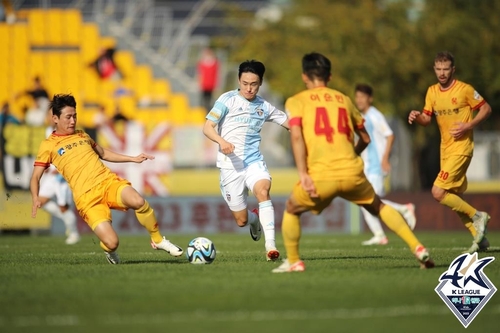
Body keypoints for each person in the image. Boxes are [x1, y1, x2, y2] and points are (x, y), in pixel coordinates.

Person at [273, 52, 434, 273]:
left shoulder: (296, 100)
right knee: (378, 206)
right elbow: (366, 138)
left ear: (304, 77)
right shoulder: (345, 100)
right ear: (329, 77)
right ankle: (417, 247)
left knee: (291, 208)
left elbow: (296, 136)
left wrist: (303, 173)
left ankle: (294, 261)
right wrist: (352, 156)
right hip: (353, 172)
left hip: (321, 176)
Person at [30, 94, 183, 264]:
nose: (72, 121)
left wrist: (132, 158)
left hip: (107, 182)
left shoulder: (82, 135)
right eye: (68, 117)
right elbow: (36, 176)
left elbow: (103, 153)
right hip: (87, 199)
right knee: (112, 243)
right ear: (55, 118)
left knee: (138, 200)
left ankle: (158, 239)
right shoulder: (48, 145)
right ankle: (109, 251)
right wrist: (36, 197)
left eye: (75, 116)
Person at [203, 60, 289, 261]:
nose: (249, 88)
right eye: (245, 83)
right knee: (241, 220)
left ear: (260, 83)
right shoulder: (227, 100)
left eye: (254, 84)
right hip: (230, 166)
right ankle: (254, 219)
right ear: (239, 81)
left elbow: (289, 123)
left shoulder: (264, 106)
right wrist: (221, 140)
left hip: (253, 163)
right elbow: (207, 127)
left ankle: (270, 247)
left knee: (263, 191)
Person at [408, 51, 492, 254]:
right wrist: (417, 116)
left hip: (462, 148)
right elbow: (427, 120)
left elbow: (486, 109)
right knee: (454, 195)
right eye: (438, 69)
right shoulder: (431, 92)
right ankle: (478, 238)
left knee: (437, 192)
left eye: (446, 69)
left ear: (452, 69)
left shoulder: (465, 89)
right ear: (434, 69)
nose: (442, 73)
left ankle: (478, 215)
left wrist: (468, 125)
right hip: (445, 150)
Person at [354, 84, 417, 245]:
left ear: (370, 98)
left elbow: (390, 136)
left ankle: (404, 208)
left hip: (376, 165)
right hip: (368, 165)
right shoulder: (364, 116)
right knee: (364, 200)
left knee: (369, 199)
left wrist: (384, 159)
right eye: (357, 96)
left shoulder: (375, 115)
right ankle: (380, 235)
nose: (359, 100)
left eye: (362, 96)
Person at [38, 114, 80, 245]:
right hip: (51, 176)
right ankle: (67, 219)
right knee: (40, 201)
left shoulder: (69, 135)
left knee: (63, 207)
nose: (50, 118)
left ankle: (74, 233)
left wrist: (61, 167)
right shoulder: (48, 132)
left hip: (62, 176)